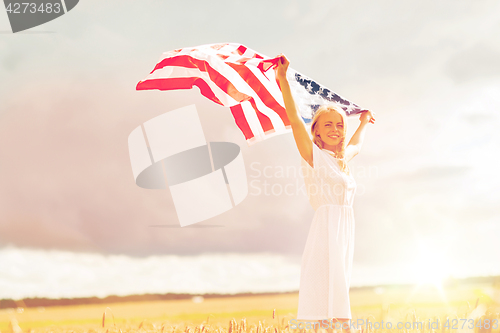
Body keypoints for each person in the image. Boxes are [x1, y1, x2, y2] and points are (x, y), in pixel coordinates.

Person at [275, 54, 375, 333]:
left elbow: (357, 145)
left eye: (339, 125)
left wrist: (363, 122)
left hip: (344, 230)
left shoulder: (342, 161)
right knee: (328, 288)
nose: (335, 129)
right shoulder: (314, 157)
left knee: (338, 285)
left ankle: (335, 328)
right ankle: (337, 329)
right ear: (316, 131)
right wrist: (283, 81)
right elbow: (295, 121)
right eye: (328, 124)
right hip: (327, 229)